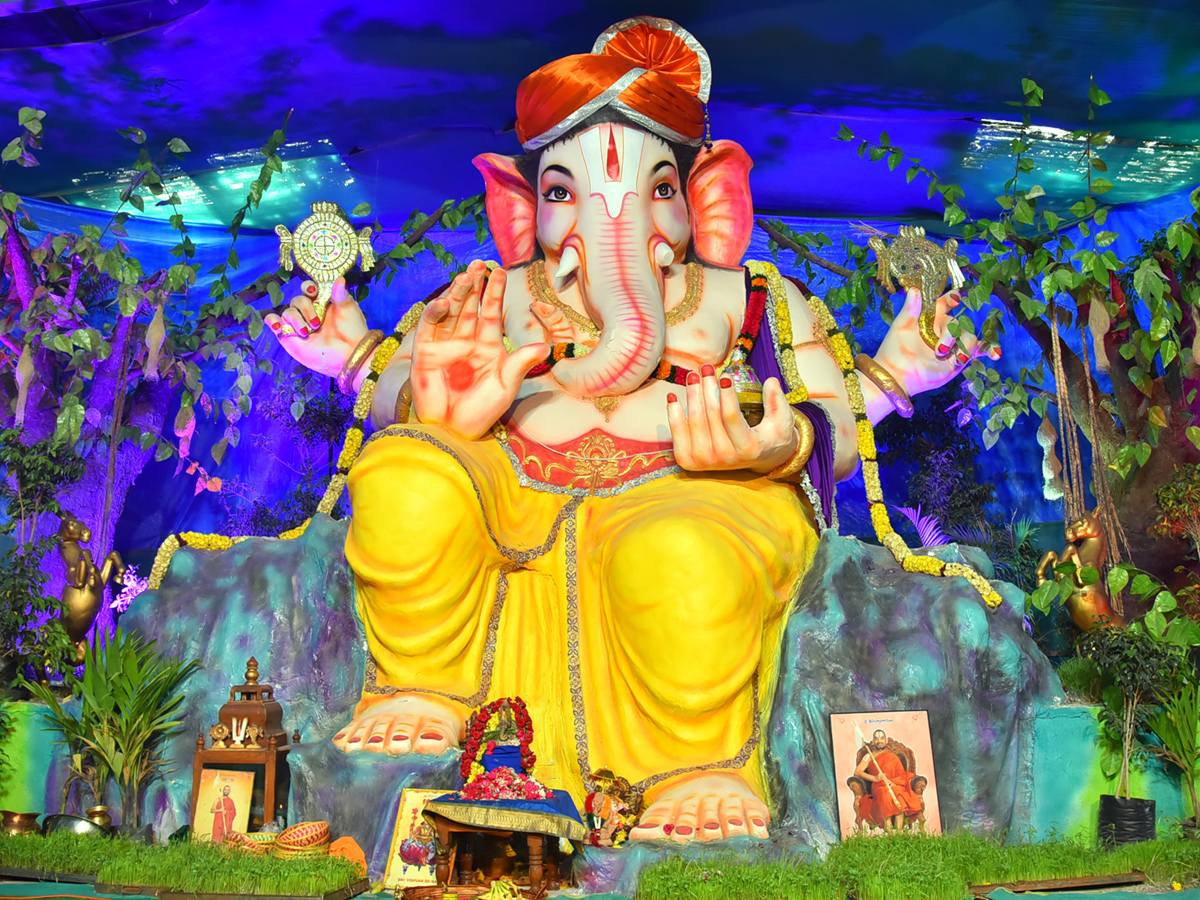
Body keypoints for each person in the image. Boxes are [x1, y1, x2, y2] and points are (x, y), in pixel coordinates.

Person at [266, 16, 991, 841]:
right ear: (518, 205)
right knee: (402, 475)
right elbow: (398, 387)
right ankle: (423, 684)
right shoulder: (489, 295)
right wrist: (408, 391)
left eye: (658, 189)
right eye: (561, 192)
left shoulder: (750, 298)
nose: (611, 222)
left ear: (708, 195)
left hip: (691, 495)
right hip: (511, 495)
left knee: (680, 552)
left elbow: (832, 415)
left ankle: (698, 764)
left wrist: (778, 442)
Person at [853, 729, 922, 834]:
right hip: (879, 787)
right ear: (873, 741)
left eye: (881, 738)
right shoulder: (868, 756)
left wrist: (894, 782)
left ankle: (899, 834)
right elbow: (857, 772)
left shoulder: (893, 757)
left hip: (894, 785)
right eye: (876, 738)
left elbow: (901, 775)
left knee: (899, 797)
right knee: (885, 794)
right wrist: (875, 778)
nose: (879, 740)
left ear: (886, 741)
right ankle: (890, 835)